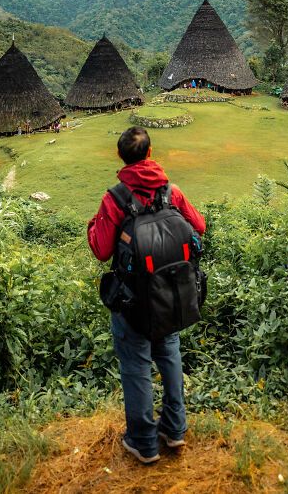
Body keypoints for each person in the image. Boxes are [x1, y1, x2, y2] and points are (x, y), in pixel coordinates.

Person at [88, 126, 205, 465]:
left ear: (121, 157)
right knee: (168, 352)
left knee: (136, 362)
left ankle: (143, 441)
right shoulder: (172, 192)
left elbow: (101, 249)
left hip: (132, 299)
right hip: (169, 293)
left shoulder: (115, 199)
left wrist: (92, 226)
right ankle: (175, 428)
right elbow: (198, 226)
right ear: (150, 153)